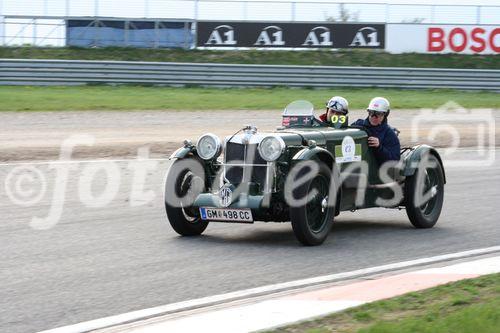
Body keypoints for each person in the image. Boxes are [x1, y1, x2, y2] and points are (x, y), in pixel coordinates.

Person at [352, 97, 400, 165]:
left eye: (378, 114)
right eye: (371, 112)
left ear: (385, 115)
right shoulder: (357, 125)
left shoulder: (389, 133)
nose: (374, 117)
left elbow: (394, 160)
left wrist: (379, 147)